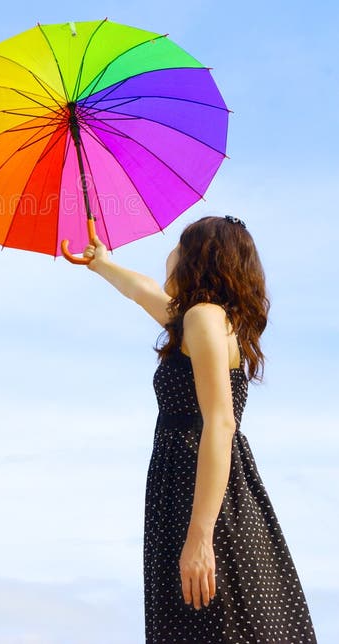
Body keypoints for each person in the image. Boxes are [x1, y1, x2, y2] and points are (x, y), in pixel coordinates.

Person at [83, 215, 317, 644]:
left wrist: (200, 536)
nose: (168, 256)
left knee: (220, 624)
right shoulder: (198, 319)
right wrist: (102, 263)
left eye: (178, 246)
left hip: (202, 496)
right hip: (185, 490)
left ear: (198, 259)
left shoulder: (204, 318)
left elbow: (221, 422)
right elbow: (144, 293)